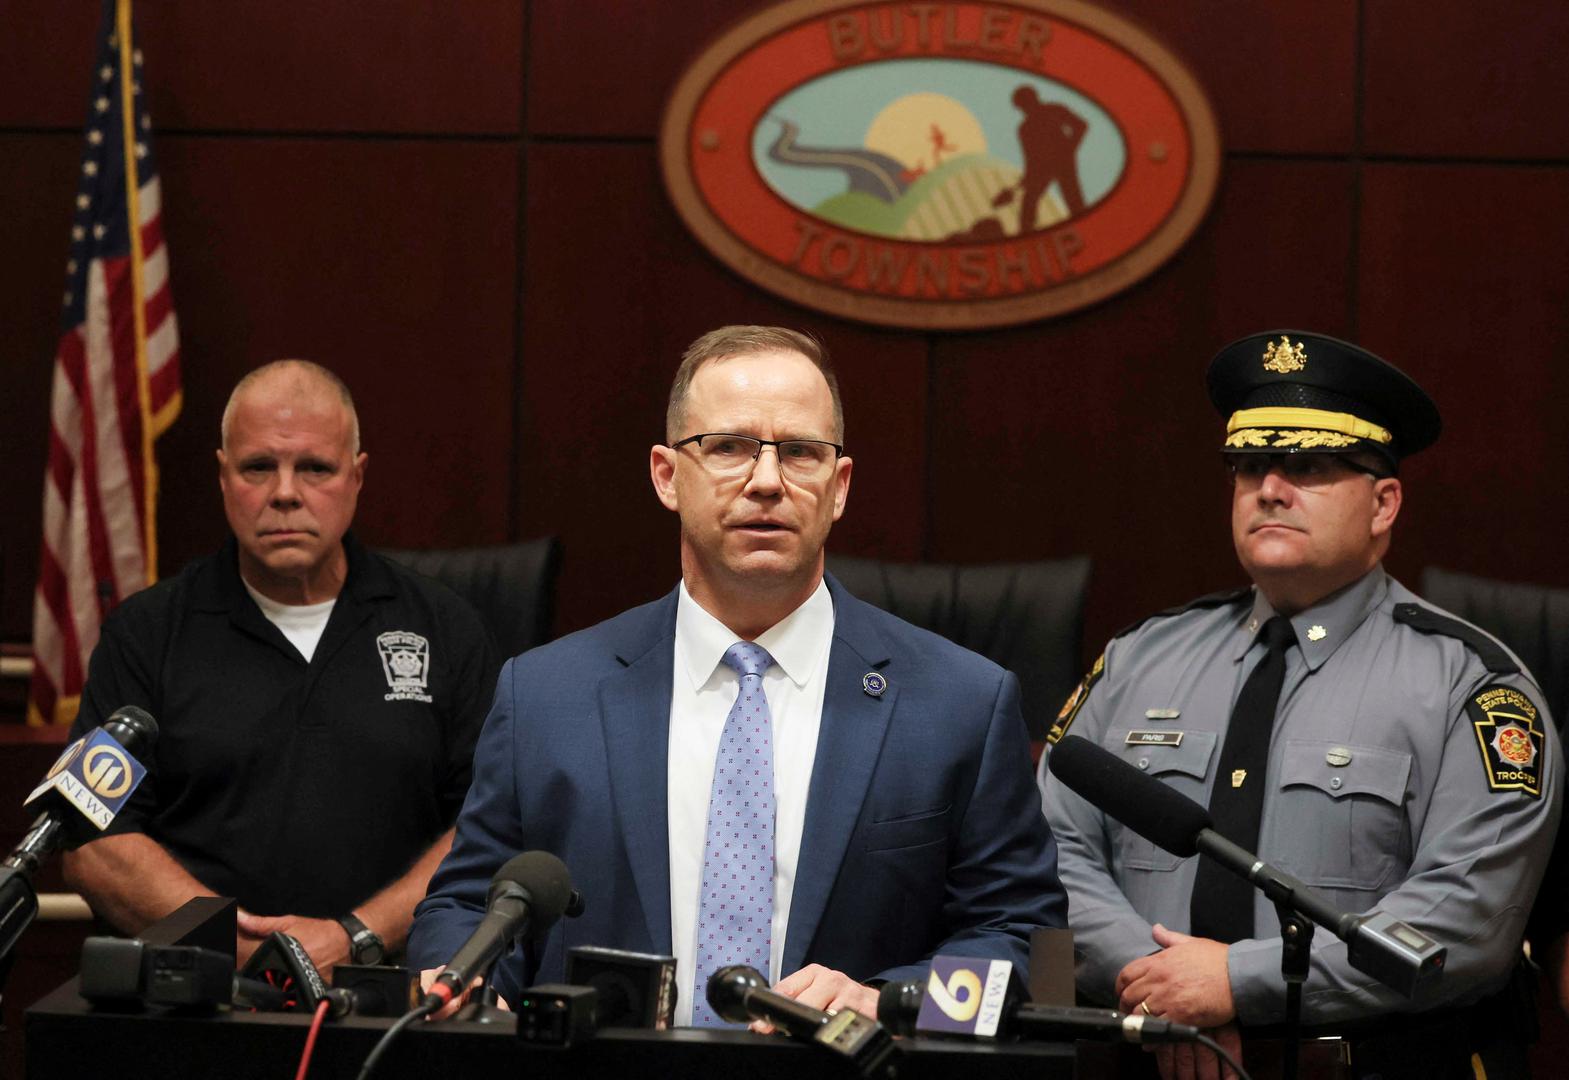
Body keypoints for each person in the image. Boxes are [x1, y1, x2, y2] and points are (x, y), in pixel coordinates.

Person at [409, 326, 1067, 1023]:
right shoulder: (546, 695)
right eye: (727, 448)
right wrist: (471, 993)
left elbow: (1021, 939)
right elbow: (467, 905)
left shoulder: (959, 702)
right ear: (666, 475)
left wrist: (890, 1002)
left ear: (838, 487)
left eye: (801, 453)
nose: (765, 481)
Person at [1038, 331, 1561, 1079]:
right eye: (1248, 467)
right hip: (1139, 1058)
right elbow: (1045, 853)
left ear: (1383, 504)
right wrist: (1158, 989)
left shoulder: (1471, 684)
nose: (1268, 489)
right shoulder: (1138, 659)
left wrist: (1234, 983)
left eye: (1308, 467)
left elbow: (1467, 922)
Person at [62, 360, 498, 977]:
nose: (285, 491)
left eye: (315, 467)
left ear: (356, 477)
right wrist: (244, 954)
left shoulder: (445, 629)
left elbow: (489, 822)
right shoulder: (146, 633)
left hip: (386, 1000)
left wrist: (355, 938)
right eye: (258, 466)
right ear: (222, 477)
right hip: (194, 1001)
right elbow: (93, 842)